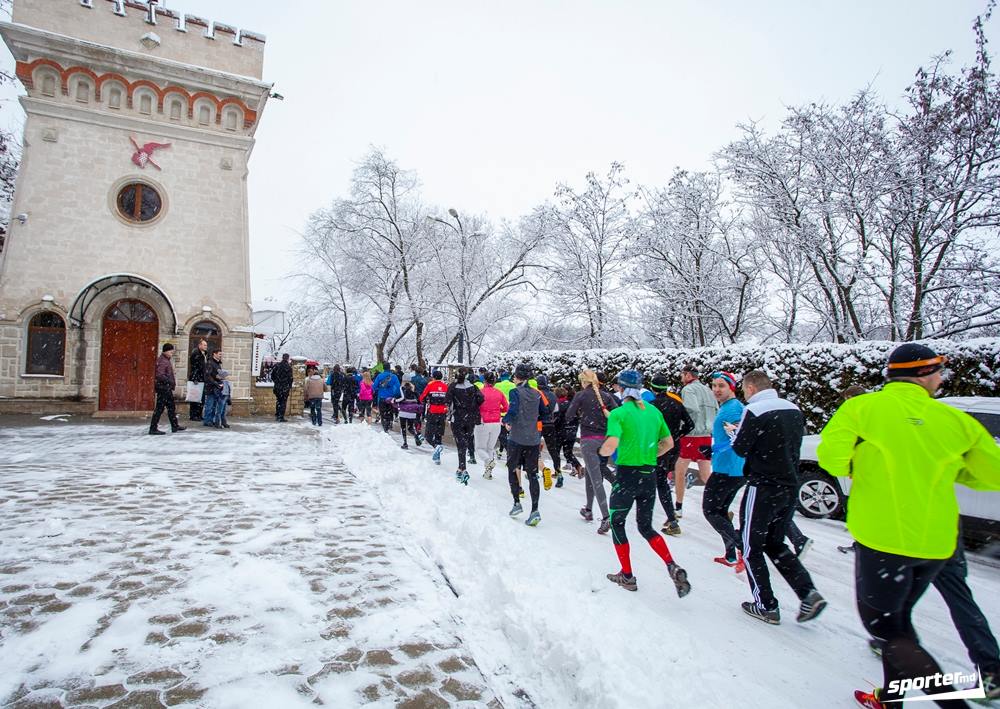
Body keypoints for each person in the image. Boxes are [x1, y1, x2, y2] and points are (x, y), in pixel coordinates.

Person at [817, 343, 1000, 708]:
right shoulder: (956, 421)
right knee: (898, 622)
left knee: (887, 629)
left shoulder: (861, 409)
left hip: (884, 537)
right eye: (938, 372)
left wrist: (863, 467)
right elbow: (990, 474)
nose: (941, 379)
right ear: (923, 374)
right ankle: (890, 699)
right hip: (937, 541)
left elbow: (831, 458)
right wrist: (945, 468)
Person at [729, 370, 826, 626]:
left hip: (763, 486)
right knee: (775, 543)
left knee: (751, 547)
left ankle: (766, 604)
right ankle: (808, 592)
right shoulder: (793, 409)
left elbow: (740, 447)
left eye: (744, 389)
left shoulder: (754, 410)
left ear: (751, 388)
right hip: (789, 484)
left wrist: (734, 433)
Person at [600, 369, 691, 598]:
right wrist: (650, 455)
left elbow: (611, 445)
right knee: (645, 526)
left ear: (621, 388)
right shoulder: (653, 412)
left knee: (617, 522)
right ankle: (671, 564)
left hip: (626, 476)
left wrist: (601, 452)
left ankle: (627, 575)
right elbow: (668, 443)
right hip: (648, 475)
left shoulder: (619, 413)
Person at [564, 369, 619, 534]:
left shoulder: (581, 395)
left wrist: (582, 415)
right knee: (590, 472)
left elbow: (569, 415)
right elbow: (617, 414)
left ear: (584, 382)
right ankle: (588, 509)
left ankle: (606, 516)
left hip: (588, 439)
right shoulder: (606, 396)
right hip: (604, 439)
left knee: (596, 478)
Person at [703, 371, 747, 571]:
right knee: (720, 510)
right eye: (714, 385)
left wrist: (713, 449)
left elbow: (737, 439)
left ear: (731, 387)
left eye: (721, 386)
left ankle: (742, 547)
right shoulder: (730, 407)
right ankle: (730, 554)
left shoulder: (733, 409)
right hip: (731, 468)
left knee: (710, 510)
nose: (717, 390)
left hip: (729, 469)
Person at [649, 375, 692, 536]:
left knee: (660, 483)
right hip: (674, 447)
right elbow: (690, 424)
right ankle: (670, 515)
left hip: (659, 446)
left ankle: (672, 520)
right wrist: (678, 435)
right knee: (662, 480)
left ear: (652, 388)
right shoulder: (676, 403)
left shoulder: (652, 406)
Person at [503, 363, 546, 525]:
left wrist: (505, 421)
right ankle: (535, 510)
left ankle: (517, 503)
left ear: (517, 377)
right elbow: (545, 413)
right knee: (533, 474)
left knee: (513, 468)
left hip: (517, 438)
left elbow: (513, 411)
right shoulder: (537, 393)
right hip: (533, 439)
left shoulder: (515, 392)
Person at [673, 364, 717, 518]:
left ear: (688, 375)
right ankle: (719, 504)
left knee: (679, 471)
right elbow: (716, 410)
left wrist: (681, 424)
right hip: (706, 435)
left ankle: (678, 506)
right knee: (706, 474)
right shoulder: (708, 390)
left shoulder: (688, 389)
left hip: (691, 435)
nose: (681, 377)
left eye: (682, 374)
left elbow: (692, 409)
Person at [448, 368, 484, 484]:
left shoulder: (453, 387)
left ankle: (462, 468)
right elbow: (481, 398)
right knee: (467, 440)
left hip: (458, 417)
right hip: (471, 417)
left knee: (460, 443)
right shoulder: (473, 387)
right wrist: (472, 405)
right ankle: (462, 466)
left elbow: (447, 400)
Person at [475, 372, 508, 479]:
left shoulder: (480, 392)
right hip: (496, 422)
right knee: (490, 448)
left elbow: (475, 407)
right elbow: (506, 407)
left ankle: (489, 461)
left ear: (484, 381)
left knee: (480, 448)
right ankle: (488, 472)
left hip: (483, 422)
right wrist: (498, 410)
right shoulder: (499, 392)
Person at [149, 343, 184, 435]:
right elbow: (160, 375)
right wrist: (169, 381)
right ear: (166, 351)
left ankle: (175, 426)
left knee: (171, 407)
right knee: (159, 408)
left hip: (166, 388)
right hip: (163, 388)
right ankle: (153, 428)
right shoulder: (163, 361)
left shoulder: (165, 360)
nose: (172, 353)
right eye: (171, 352)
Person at [535, 374, 561, 490]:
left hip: (538, 424)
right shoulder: (553, 395)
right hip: (550, 423)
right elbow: (556, 410)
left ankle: (536, 470)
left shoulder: (536, 393)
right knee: (553, 449)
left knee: (535, 448)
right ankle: (559, 472)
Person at [554, 386, 584, 481]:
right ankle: (578, 466)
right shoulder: (572, 404)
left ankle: (557, 472)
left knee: (556, 453)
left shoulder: (558, 405)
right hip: (571, 432)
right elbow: (577, 418)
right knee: (568, 453)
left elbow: (557, 419)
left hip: (560, 432)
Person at [420, 370, 450, 464]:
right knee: (438, 435)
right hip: (442, 413)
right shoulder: (445, 386)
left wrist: (427, 400)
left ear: (433, 377)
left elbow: (422, 397)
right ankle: (438, 458)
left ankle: (436, 447)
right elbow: (449, 399)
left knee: (428, 436)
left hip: (432, 412)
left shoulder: (430, 385)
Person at [372, 363, 401, 433]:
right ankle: (389, 423)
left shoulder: (380, 376)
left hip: (382, 397)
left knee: (383, 413)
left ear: (383, 368)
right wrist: (395, 395)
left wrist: (379, 389)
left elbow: (374, 386)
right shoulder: (394, 376)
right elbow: (398, 387)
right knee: (390, 412)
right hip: (391, 398)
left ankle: (385, 428)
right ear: (389, 368)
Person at [202, 348, 225, 428]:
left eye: (221, 354)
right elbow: (208, 376)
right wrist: (215, 382)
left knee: (214, 405)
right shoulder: (210, 363)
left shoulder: (217, 363)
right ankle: (207, 420)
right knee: (210, 404)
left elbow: (214, 374)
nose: (220, 356)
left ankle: (211, 420)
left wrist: (220, 377)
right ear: (214, 354)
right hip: (211, 387)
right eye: (219, 354)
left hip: (216, 387)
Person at [398, 381, 423, 449]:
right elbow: (420, 402)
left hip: (403, 412)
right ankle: (415, 435)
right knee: (410, 428)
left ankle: (405, 443)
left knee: (403, 428)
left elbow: (398, 401)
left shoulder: (402, 393)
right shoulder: (415, 393)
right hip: (412, 413)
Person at [187, 338, 208, 421]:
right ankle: (193, 415)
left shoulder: (205, 354)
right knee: (195, 397)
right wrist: (195, 378)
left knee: (201, 398)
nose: (206, 346)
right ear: (200, 345)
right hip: (197, 378)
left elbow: (204, 367)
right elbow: (194, 367)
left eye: (206, 345)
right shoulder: (196, 353)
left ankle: (199, 414)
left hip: (202, 378)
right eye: (204, 345)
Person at [271, 353, 293, 422]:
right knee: (283, 402)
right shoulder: (288, 367)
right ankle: (281, 417)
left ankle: (277, 414)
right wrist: (289, 385)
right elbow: (290, 378)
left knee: (278, 400)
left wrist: (276, 382)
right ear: (288, 358)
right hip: (284, 387)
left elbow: (272, 376)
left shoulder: (277, 366)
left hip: (277, 387)